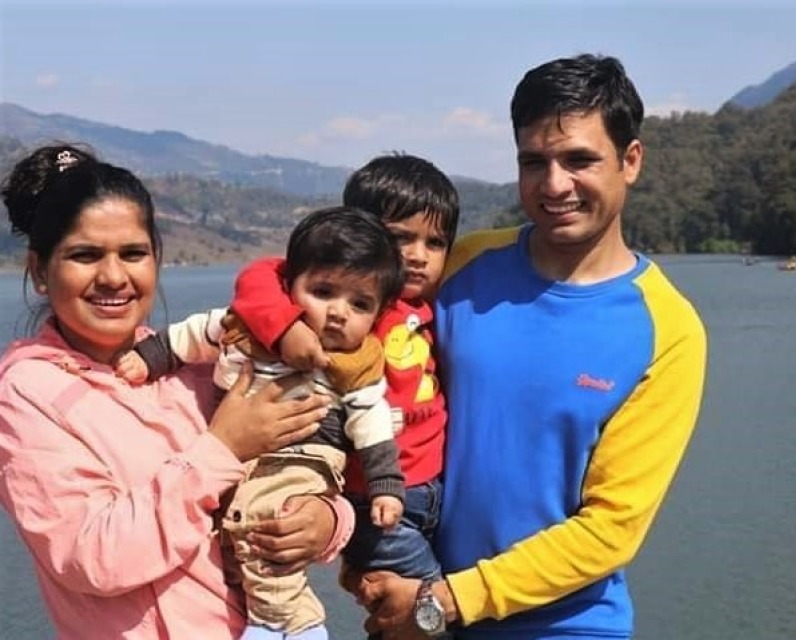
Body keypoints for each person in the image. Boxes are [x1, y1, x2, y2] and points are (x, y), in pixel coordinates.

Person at [348, 54, 708, 639]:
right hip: (418, 600)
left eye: (579, 160)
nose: (554, 184)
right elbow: (350, 354)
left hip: (561, 626)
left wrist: (445, 601)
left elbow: (611, 528)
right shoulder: (461, 266)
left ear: (631, 160)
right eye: (533, 161)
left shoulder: (668, 329)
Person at [0, 143, 353, 640]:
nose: (113, 276)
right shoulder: (29, 391)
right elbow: (92, 557)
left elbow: (301, 459)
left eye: (133, 253)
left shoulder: (195, 364)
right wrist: (223, 448)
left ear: (156, 259)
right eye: (84, 255)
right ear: (39, 270)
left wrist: (326, 520)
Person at [116, 205, 407, 640]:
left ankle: (287, 624)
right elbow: (197, 333)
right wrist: (150, 357)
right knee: (230, 537)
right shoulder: (251, 326)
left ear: (378, 314)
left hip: (303, 456)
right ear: (290, 287)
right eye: (324, 291)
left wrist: (385, 482)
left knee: (266, 522)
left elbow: (371, 420)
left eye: (359, 303)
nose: (339, 313)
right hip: (238, 455)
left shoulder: (356, 360)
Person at [225, 153, 459, 638]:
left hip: (435, 491)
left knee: (400, 615)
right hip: (373, 497)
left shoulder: (429, 303)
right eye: (401, 238)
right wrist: (285, 327)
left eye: (434, 242)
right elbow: (260, 278)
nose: (418, 255)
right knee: (425, 611)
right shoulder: (348, 308)